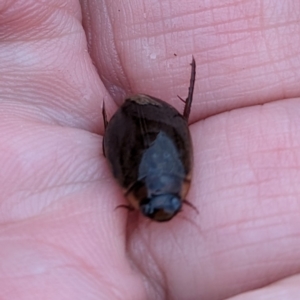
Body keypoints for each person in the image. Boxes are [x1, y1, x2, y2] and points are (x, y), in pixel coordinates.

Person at [1, 1, 300, 299]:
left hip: (141, 127)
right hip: (146, 126)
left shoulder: (172, 176)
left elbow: (146, 147)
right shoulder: (164, 178)